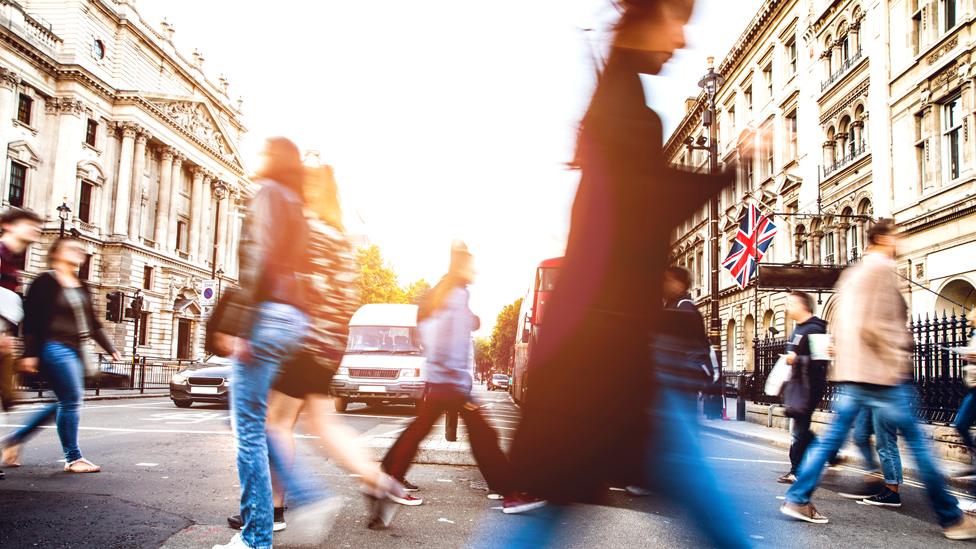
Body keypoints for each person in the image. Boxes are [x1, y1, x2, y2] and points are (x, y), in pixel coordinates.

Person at [489, 1, 748, 547]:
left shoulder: (620, 99)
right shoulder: (626, 110)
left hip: (607, 346)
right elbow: (641, 209)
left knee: (560, 502)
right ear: (649, 19)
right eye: (677, 23)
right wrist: (727, 168)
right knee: (685, 488)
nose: (681, 42)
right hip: (602, 351)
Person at [223, 164, 405, 533]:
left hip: (303, 339)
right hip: (332, 342)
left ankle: (275, 508)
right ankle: (379, 483)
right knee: (322, 422)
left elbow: (286, 281)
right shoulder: (340, 236)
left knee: (274, 423)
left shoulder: (309, 230)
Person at [781, 219, 976, 540]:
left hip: (853, 374)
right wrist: (899, 355)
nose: (900, 242)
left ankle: (799, 498)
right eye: (897, 236)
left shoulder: (852, 275)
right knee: (919, 445)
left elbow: (844, 327)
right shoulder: (882, 270)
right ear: (883, 240)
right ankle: (951, 518)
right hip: (883, 375)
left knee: (832, 439)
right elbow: (875, 327)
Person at [211, 137, 330, 549]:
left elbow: (256, 259)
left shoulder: (268, 194)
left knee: (247, 429)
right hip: (293, 319)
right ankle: (306, 490)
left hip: (266, 314)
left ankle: (256, 536)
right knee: (259, 423)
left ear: (273, 160)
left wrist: (236, 321)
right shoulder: (298, 204)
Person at [381, 242, 542, 513]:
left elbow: (428, 331)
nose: (474, 269)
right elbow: (449, 342)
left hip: (441, 380)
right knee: (483, 436)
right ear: (461, 266)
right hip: (451, 383)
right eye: (470, 264)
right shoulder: (456, 294)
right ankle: (510, 493)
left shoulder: (442, 292)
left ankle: (388, 476)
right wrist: (457, 381)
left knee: (420, 430)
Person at [0, 237, 121, 473]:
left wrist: (111, 348)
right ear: (56, 253)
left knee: (64, 401)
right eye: (72, 249)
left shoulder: (81, 285)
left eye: (80, 250)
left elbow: (93, 323)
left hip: (76, 348)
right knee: (72, 398)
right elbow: (32, 319)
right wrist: (30, 353)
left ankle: (14, 440)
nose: (79, 252)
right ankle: (73, 458)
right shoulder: (45, 281)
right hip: (53, 346)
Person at [0, 208, 42, 476]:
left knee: (5, 398)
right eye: (29, 224)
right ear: (7, 225)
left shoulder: (12, 262)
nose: (35, 230)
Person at [777, 291, 828, 485]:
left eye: (790, 303)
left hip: (810, 386)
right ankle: (828, 453)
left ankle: (796, 470)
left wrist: (796, 359)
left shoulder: (815, 328)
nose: (787, 307)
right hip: (796, 385)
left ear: (802, 305)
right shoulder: (797, 329)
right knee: (801, 429)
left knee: (799, 429)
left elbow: (821, 360)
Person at [951, 308, 976, 478]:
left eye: (972, 319)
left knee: (961, 423)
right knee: (960, 424)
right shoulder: (974, 335)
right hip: (973, 388)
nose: (969, 322)